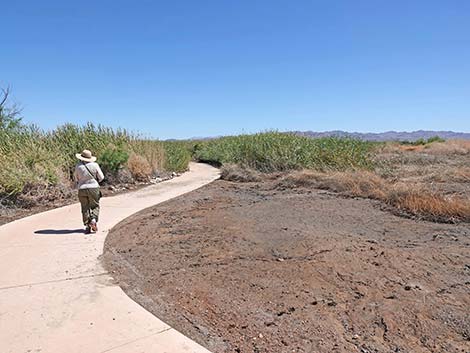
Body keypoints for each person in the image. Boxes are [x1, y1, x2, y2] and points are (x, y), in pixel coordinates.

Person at [74, 149, 105, 234]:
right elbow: (101, 177)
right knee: (95, 205)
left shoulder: (78, 166)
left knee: (85, 207)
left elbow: (76, 178)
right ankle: (93, 221)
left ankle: (87, 225)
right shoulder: (95, 165)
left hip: (82, 188)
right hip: (93, 187)